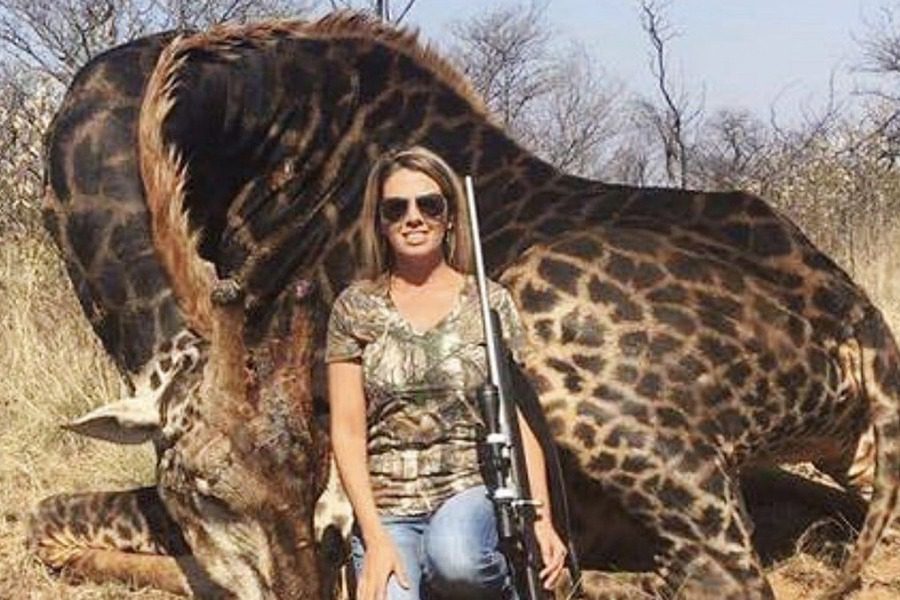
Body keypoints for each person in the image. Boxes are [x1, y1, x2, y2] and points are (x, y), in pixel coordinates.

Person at [326, 146, 567, 600]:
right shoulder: (353, 308)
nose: (413, 218)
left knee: (455, 558)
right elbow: (348, 428)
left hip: (470, 493)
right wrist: (374, 538)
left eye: (429, 205)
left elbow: (520, 420)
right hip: (389, 509)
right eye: (396, 209)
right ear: (380, 222)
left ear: (450, 217)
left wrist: (540, 520)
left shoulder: (489, 301)